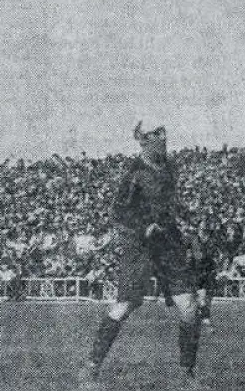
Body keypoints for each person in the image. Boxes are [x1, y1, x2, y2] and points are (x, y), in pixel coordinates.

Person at [79, 123, 205, 390]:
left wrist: (185, 218)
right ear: (145, 143)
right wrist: (143, 226)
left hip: (168, 243)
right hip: (140, 246)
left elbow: (170, 202)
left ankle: (187, 373)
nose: (164, 144)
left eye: (165, 139)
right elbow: (119, 211)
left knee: (189, 306)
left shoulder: (170, 169)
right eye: (159, 140)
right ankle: (91, 367)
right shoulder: (134, 174)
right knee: (125, 306)